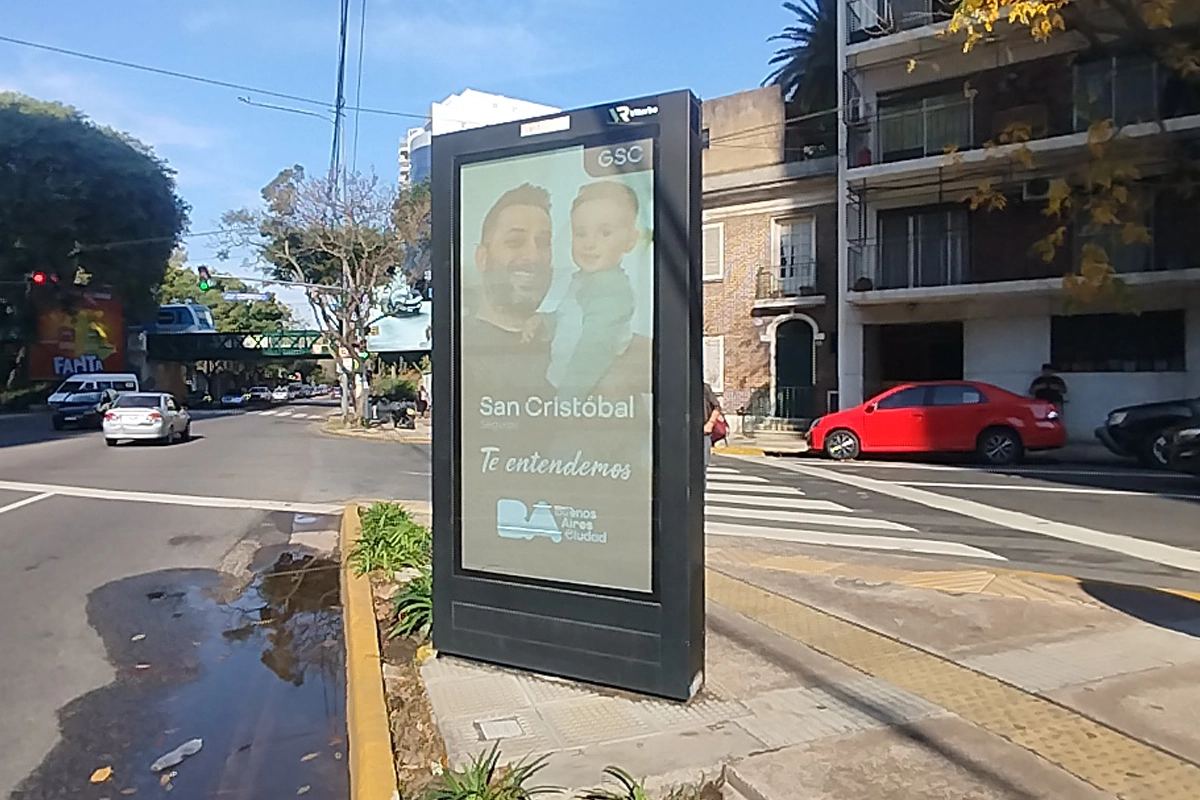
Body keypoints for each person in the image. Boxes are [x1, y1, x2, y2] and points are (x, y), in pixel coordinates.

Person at [522, 181, 639, 399]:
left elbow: (595, 348)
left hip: (588, 396)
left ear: (630, 241)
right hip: (565, 388)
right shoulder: (583, 281)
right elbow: (571, 321)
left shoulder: (610, 289)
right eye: (581, 233)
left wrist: (568, 400)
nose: (589, 243)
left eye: (605, 233)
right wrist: (546, 322)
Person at [703, 382, 723, 474]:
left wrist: (710, 424)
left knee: (703, 463)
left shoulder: (704, 388)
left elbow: (717, 407)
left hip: (704, 431)